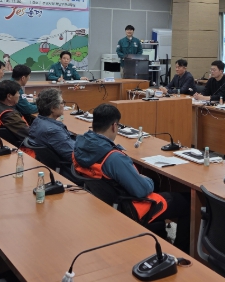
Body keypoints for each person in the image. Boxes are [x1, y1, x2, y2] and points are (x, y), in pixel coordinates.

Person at [72, 103, 190, 253]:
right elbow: (142, 190)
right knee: (187, 202)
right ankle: (182, 253)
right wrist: (147, 179)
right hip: (129, 207)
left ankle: (159, 234)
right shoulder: (113, 157)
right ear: (114, 126)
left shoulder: (80, 144)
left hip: (104, 202)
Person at [28, 88, 75, 176]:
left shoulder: (37, 121)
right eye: (62, 102)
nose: (63, 105)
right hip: (69, 170)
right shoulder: (53, 131)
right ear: (53, 108)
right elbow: (75, 155)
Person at [0, 80, 30, 145]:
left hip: (1, 142)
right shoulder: (10, 115)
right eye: (17, 93)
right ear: (9, 96)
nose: (19, 95)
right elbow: (29, 135)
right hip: (22, 147)